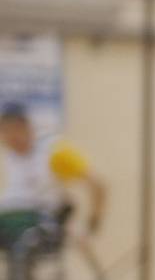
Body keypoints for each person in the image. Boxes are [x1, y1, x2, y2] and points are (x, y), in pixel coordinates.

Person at [0, 103, 105, 255]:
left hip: (42, 221)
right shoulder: (13, 155)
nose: (9, 138)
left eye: (13, 130)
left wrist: (90, 228)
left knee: (24, 239)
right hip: (12, 219)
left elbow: (99, 185)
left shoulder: (55, 151)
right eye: (4, 132)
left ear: (26, 127)